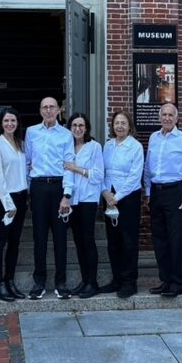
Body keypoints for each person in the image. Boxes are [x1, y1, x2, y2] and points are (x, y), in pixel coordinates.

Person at [144, 102, 182, 298]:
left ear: (176, 119)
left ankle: (178, 282)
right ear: (160, 118)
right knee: (160, 239)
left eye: (170, 115)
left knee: (176, 239)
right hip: (157, 193)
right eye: (164, 114)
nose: (167, 118)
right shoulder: (153, 138)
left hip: (176, 192)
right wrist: (148, 193)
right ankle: (165, 280)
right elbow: (148, 168)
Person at [25, 96, 75, 300]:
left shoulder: (66, 134)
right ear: (40, 110)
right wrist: (29, 191)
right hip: (38, 187)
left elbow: (69, 164)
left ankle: (61, 283)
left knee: (60, 237)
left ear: (58, 110)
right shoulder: (31, 132)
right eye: (44, 107)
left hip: (58, 187)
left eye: (51, 107)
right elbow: (27, 161)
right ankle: (39, 283)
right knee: (39, 237)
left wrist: (67, 195)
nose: (48, 111)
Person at [99, 109, 144, 299]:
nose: (119, 126)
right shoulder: (107, 146)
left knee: (128, 242)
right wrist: (105, 192)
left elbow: (135, 176)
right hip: (108, 196)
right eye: (117, 123)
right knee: (113, 242)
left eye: (123, 123)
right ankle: (116, 278)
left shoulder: (135, 147)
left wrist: (117, 197)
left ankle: (129, 282)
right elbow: (100, 170)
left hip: (127, 199)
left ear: (129, 126)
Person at [62, 112, 104, 299]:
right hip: (73, 201)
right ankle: (84, 280)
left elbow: (97, 175)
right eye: (74, 126)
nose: (78, 129)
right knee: (78, 242)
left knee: (88, 240)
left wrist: (76, 169)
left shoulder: (94, 147)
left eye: (81, 125)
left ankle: (92, 282)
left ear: (86, 128)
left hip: (88, 199)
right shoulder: (67, 146)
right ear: (69, 128)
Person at [0, 107, 28, 301]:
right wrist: (8, 203)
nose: (10, 124)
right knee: (1, 241)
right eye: (6, 121)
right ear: (1, 124)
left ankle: (10, 280)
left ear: (18, 123)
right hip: (5, 199)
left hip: (20, 197)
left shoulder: (21, 144)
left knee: (15, 241)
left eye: (13, 120)